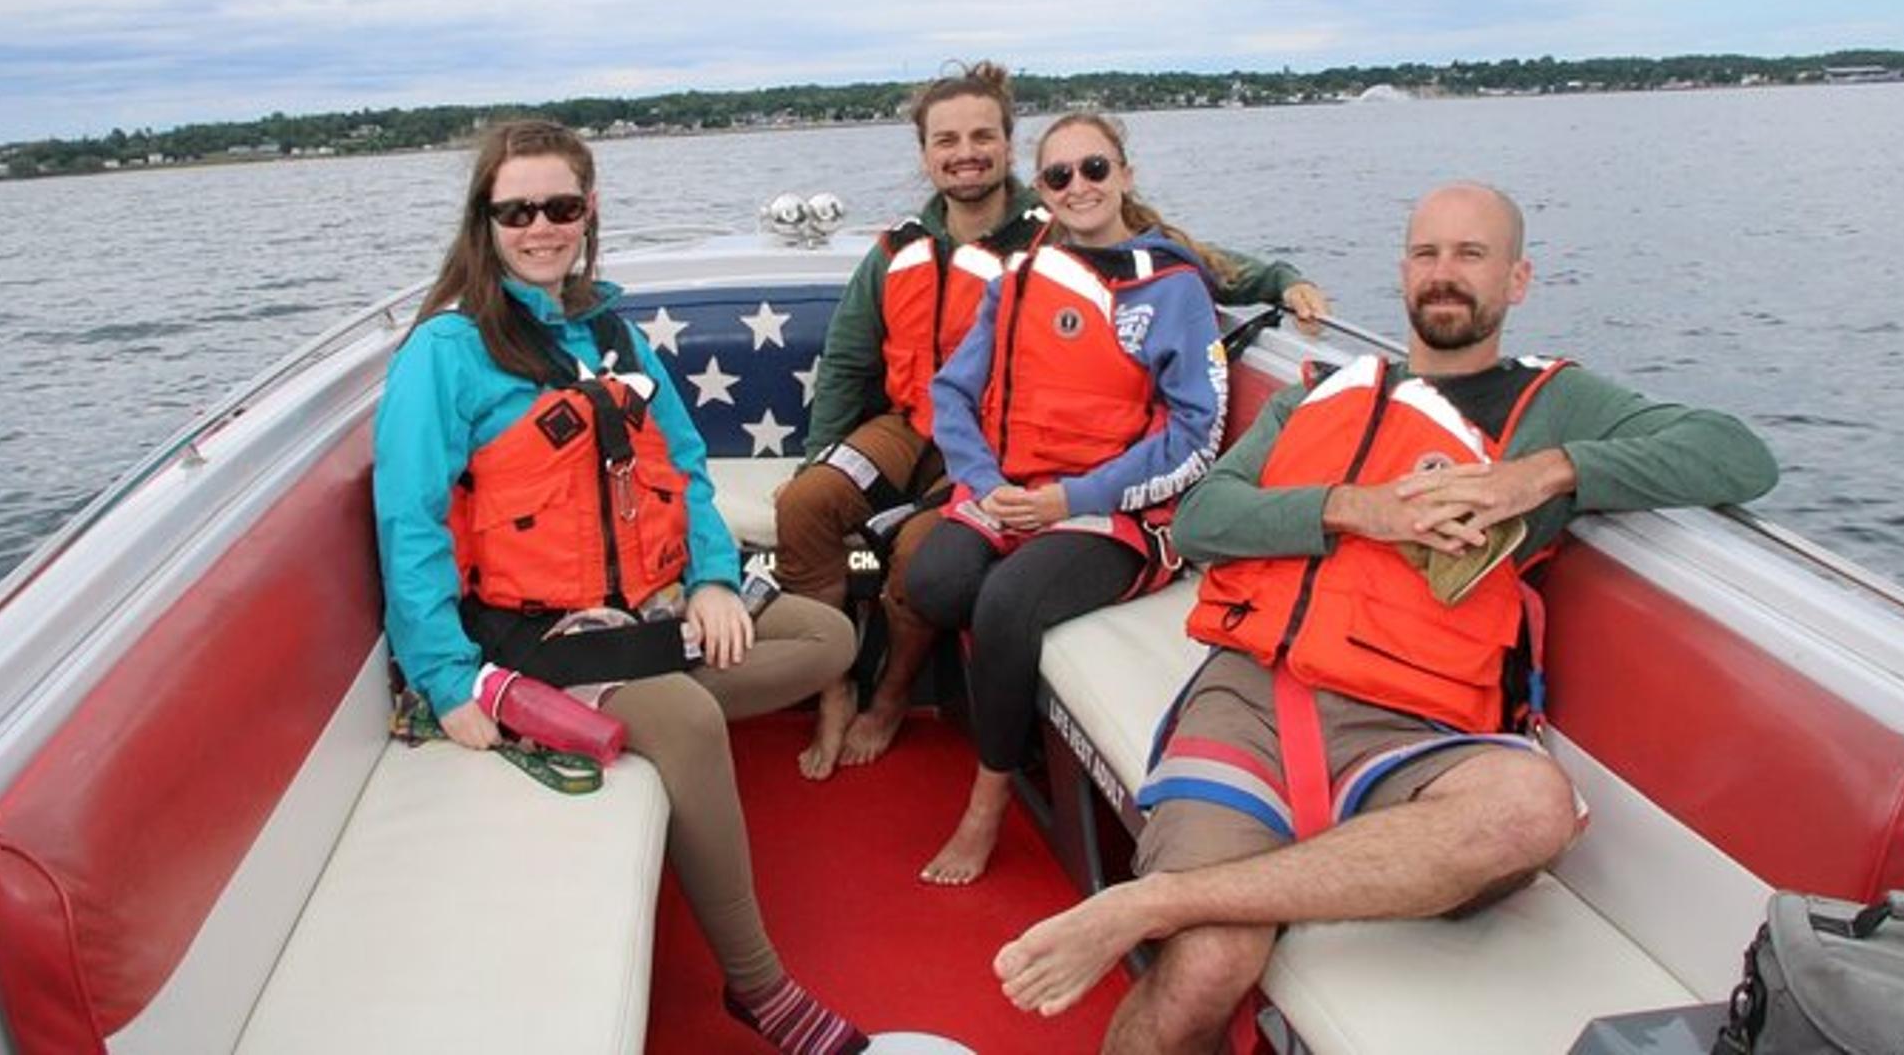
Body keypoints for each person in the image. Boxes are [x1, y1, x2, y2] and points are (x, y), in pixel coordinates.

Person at [991, 181, 1779, 1054]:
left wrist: (1545, 473)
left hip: (1417, 727)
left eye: (1471, 256)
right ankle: (1204, 911)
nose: (1446, 275)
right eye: (1428, 254)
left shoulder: (1557, 404)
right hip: (1254, 699)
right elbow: (1208, 518)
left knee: (1532, 806)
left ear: (1517, 280)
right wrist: (1357, 510)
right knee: (1210, 964)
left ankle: (1155, 900)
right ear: (1403, 271)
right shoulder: (1315, 397)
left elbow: (1739, 454)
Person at [373, 119, 867, 1055]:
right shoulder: (446, 352)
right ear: (485, 220)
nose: (540, 226)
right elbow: (410, 524)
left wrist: (712, 580)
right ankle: (759, 986)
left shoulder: (612, 332)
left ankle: (643, 679)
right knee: (685, 718)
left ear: (587, 210)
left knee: (826, 638)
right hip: (522, 636)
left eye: (560, 206)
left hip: (644, 604)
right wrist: (443, 679)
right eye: (516, 209)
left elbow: (680, 465)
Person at [778, 63, 1329, 778]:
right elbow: (850, 360)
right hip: (912, 422)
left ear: (1009, 147)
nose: (965, 151)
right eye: (946, 139)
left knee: (921, 556)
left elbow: (1180, 255)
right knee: (803, 506)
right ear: (924, 154)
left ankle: (889, 698)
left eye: (983, 135)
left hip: (1001, 446)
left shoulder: (1058, 231)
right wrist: (823, 454)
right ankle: (832, 689)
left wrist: (1280, 278)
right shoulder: (895, 249)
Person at [903, 112, 1239, 886]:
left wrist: (1069, 499)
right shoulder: (1021, 275)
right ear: (1042, 190)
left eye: (1094, 168)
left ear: (1124, 172)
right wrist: (986, 487)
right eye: (1059, 176)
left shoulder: (1169, 286)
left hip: (1121, 510)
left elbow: (1197, 435)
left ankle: (987, 802)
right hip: (1014, 491)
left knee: (1007, 603)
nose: (1078, 186)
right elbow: (952, 390)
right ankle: (1012, 722)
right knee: (934, 579)